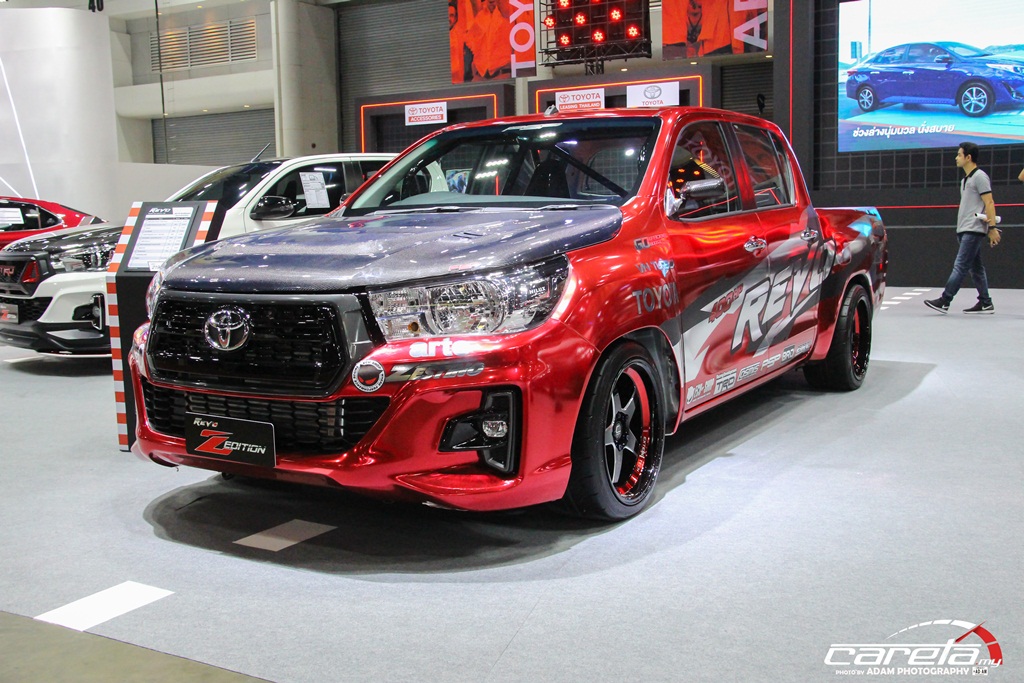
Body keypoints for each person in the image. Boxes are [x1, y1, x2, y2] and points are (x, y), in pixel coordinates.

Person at [925, 142, 1001, 315]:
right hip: (964, 229)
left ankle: (945, 300)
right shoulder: (964, 180)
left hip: (973, 229)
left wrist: (992, 228)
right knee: (976, 268)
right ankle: (985, 302)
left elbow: (989, 202)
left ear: (968, 157)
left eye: (959, 155)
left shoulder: (980, 177)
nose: (956, 158)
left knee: (960, 266)